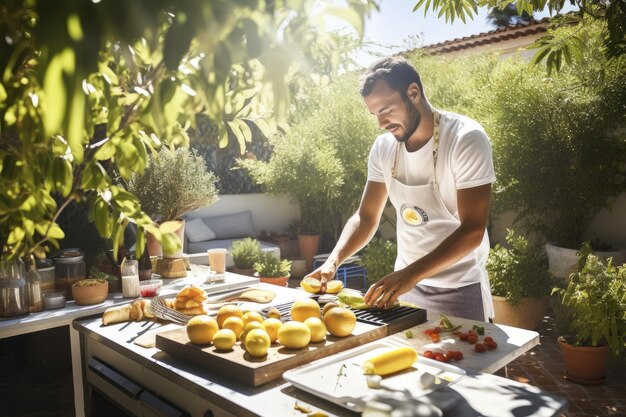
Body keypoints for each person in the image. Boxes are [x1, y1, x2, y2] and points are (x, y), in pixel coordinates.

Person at [307, 56, 495, 321]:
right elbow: (366, 217)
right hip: (406, 290)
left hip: (461, 289)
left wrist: (408, 275)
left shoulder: (465, 139)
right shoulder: (384, 148)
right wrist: (332, 261)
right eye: (375, 114)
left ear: (413, 92)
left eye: (386, 110)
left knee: (476, 361)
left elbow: (473, 230)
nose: (381, 123)